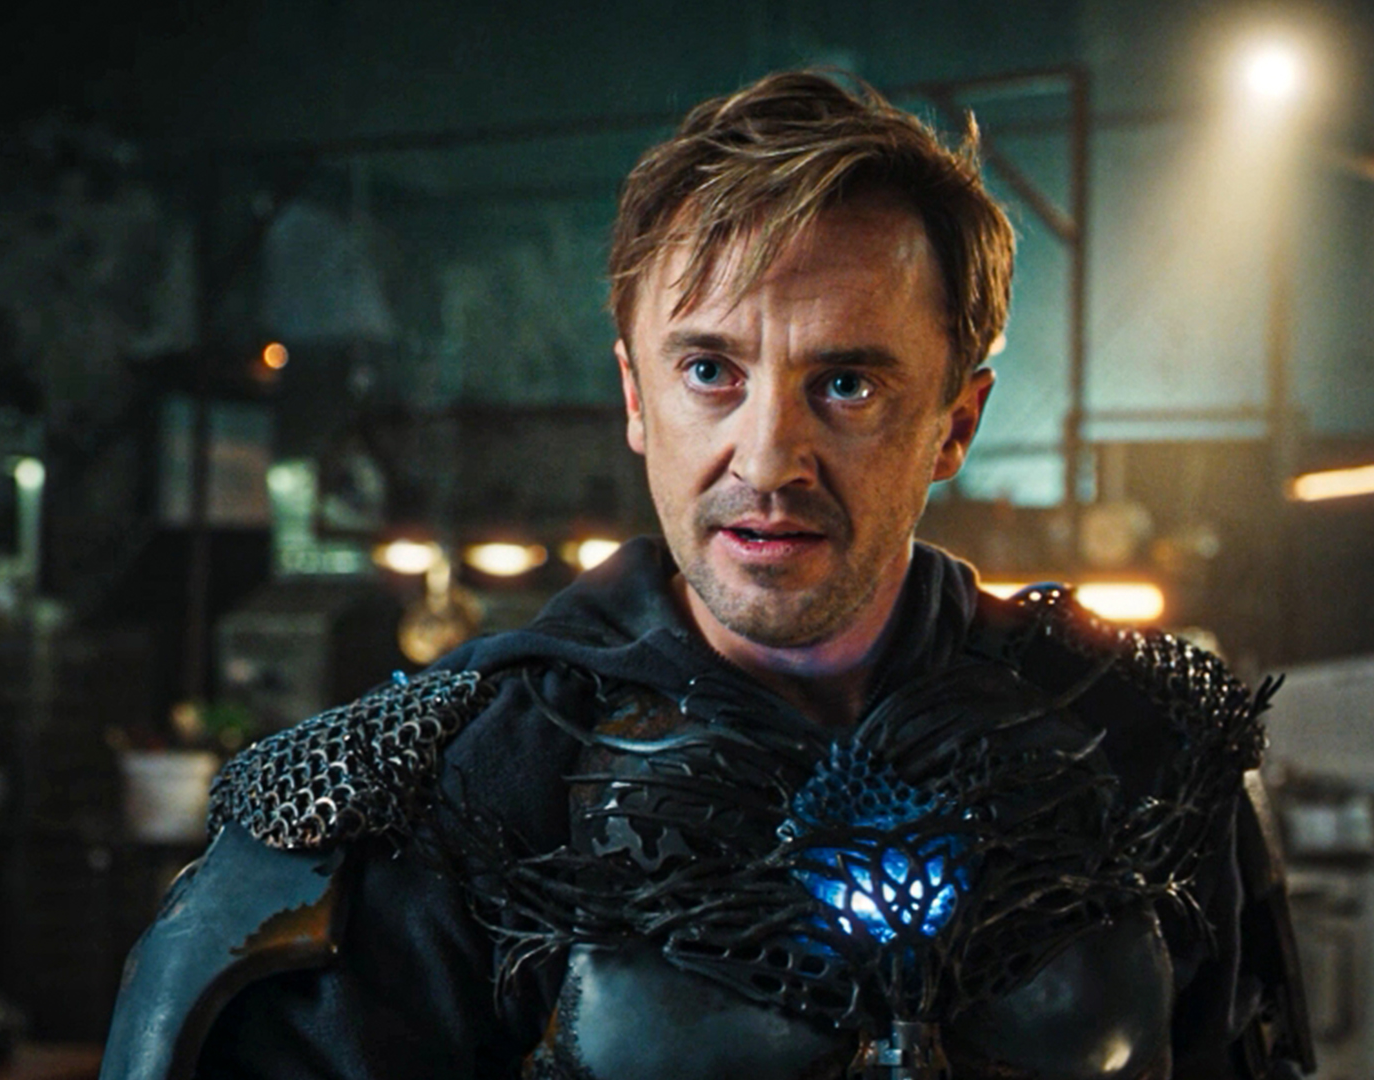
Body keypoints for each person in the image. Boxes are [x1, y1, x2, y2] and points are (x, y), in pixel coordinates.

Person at [100, 71, 1312, 1080]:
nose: (769, 459)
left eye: (846, 384)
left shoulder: (1142, 750)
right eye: (710, 373)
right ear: (636, 398)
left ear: (956, 422)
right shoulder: (445, 794)